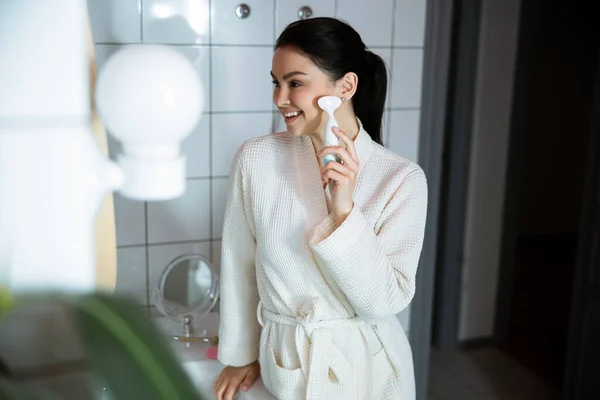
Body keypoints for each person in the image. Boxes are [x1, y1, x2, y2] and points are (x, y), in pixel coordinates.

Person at [213, 17, 427, 400]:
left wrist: (344, 212)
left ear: (344, 87)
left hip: (370, 374)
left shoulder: (401, 179)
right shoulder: (256, 159)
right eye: (276, 83)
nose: (280, 98)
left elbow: (383, 303)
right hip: (287, 365)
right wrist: (241, 354)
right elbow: (238, 263)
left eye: (295, 83)